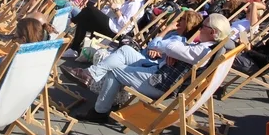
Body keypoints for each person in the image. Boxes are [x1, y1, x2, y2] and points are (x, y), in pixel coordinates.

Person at [71, 13, 233, 122]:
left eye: (203, 26)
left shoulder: (202, 50)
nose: (200, 28)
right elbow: (169, 48)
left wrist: (172, 51)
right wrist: (172, 52)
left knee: (114, 71)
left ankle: (99, 111)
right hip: (160, 74)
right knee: (126, 50)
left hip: (159, 84)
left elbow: (168, 46)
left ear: (212, 32)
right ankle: (90, 75)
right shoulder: (207, 48)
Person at [63, 0, 147, 58]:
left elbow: (125, 24)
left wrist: (116, 10)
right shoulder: (132, 2)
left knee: (89, 9)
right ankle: (74, 49)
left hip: (116, 30)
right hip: (113, 24)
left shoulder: (135, 5)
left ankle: (71, 22)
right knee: (85, 20)